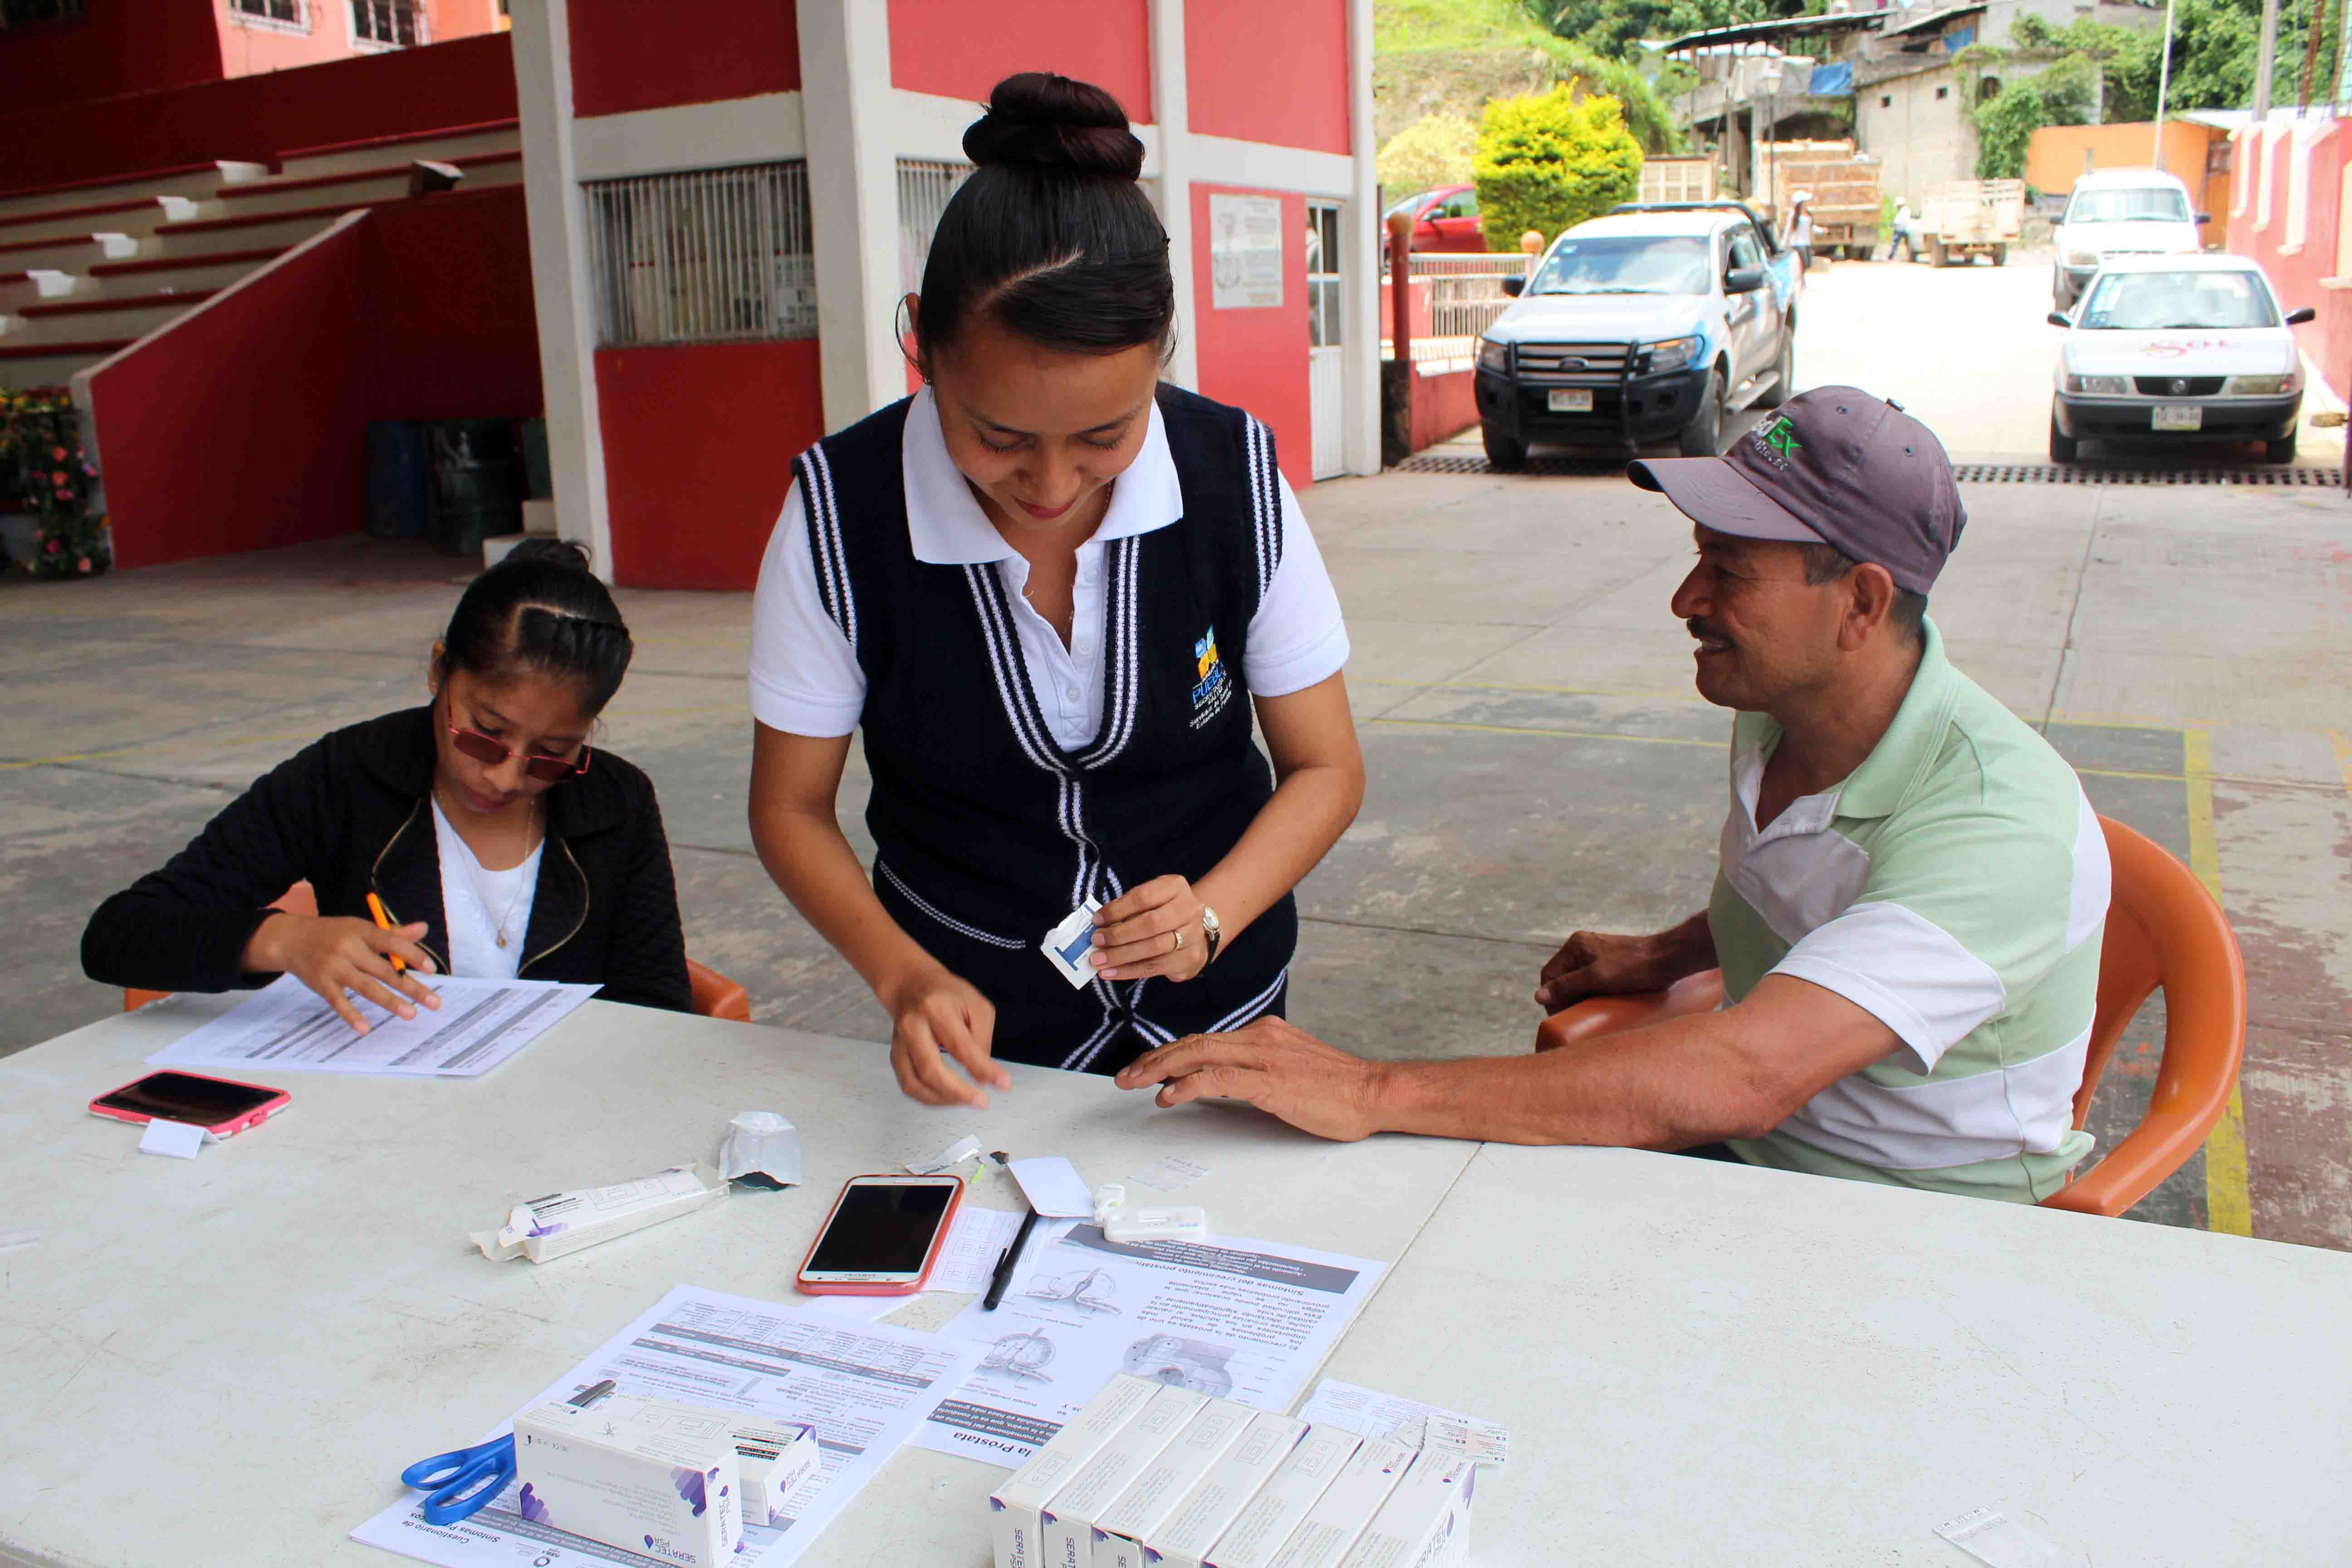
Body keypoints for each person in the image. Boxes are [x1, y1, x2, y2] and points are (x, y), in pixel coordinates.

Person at [1118, 387, 2113, 1205]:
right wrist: (1675, 950)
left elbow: (1746, 1076)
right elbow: (1823, 895)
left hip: (1922, 1213)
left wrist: (1372, 1087)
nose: (1688, 600)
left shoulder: (2001, 827)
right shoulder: (1786, 708)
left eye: (1730, 570)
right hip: (1762, 1166)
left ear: (1860, 602)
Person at [748, 72, 1364, 1111]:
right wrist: (905, 975)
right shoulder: (839, 512)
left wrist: (1211, 913)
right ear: (922, 347)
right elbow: (790, 805)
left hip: (1220, 1009)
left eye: (1103, 437)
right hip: (976, 1035)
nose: (1049, 484)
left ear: (1158, 362)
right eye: (995, 436)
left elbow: (1325, 764)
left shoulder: (1230, 476)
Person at [83, 539, 691, 1029]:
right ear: (438, 670)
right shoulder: (348, 775)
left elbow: (660, 1010)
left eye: (552, 756)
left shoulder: (616, 803)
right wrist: (284, 940)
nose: (506, 776)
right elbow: (121, 933)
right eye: (484, 733)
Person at [1786, 191, 1815, 272]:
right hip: (1797, 244)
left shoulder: (1808, 214)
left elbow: (1811, 227)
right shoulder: (1793, 215)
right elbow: (1788, 230)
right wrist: (1784, 243)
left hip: (1807, 243)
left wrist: (1822, 230)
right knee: (1803, 265)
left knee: (1808, 265)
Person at [1886, 199, 1923, 263]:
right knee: (1909, 244)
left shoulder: (1903, 212)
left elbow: (1899, 221)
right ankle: (1910, 256)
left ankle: (1891, 257)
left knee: (1895, 243)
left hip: (1900, 230)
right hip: (1907, 230)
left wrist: (1892, 224)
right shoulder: (1907, 211)